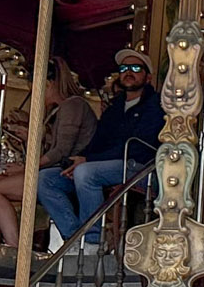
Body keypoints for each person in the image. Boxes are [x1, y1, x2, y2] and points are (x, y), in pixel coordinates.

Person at [36, 48, 163, 249]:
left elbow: (139, 146)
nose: (129, 72)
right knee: (46, 179)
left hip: (140, 167)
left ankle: (93, 241)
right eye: (124, 68)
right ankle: (74, 237)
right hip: (107, 167)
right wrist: (78, 159)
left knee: (87, 172)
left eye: (136, 68)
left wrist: (87, 162)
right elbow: (97, 141)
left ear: (148, 77)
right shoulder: (114, 108)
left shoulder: (155, 105)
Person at [0, 58, 94, 246]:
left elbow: (61, 151)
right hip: (58, 169)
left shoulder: (73, 105)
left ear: (47, 84)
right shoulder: (61, 110)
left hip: (65, 172)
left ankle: (13, 246)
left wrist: (25, 168)